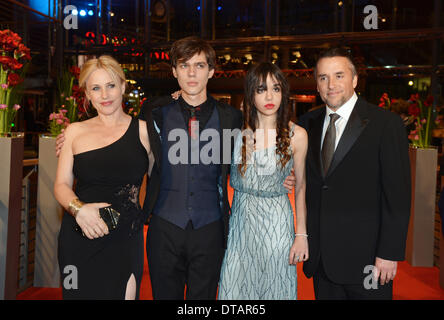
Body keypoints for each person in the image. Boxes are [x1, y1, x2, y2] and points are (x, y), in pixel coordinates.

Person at [139, 37, 296, 300]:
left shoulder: (231, 117)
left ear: (211, 71)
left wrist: (286, 175)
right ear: (174, 71)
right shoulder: (155, 111)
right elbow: (126, 143)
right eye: (184, 65)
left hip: (211, 228)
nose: (191, 73)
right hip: (164, 227)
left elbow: (262, 145)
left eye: (199, 66)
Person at [299, 47, 411, 300]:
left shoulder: (386, 124)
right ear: (317, 84)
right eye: (323, 77)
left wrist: (390, 252)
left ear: (355, 79)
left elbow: (398, 195)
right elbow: (311, 178)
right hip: (322, 260)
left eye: (339, 75)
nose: (331, 84)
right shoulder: (307, 123)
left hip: (368, 261)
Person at [54, 55, 151, 299]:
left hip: (125, 237)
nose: (105, 95)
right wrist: (79, 210)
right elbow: (61, 185)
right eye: (96, 88)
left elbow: (164, 179)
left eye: (110, 85)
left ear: (122, 86)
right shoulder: (74, 132)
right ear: (87, 94)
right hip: (80, 232)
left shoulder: (144, 131)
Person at [217, 62, 308, 300]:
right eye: (261, 89)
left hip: (277, 224)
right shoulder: (235, 130)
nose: (270, 96)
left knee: (275, 288)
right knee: (235, 288)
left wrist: (301, 235)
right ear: (250, 94)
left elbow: (301, 187)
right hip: (241, 224)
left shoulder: (297, 135)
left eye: (276, 89)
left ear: (284, 93)